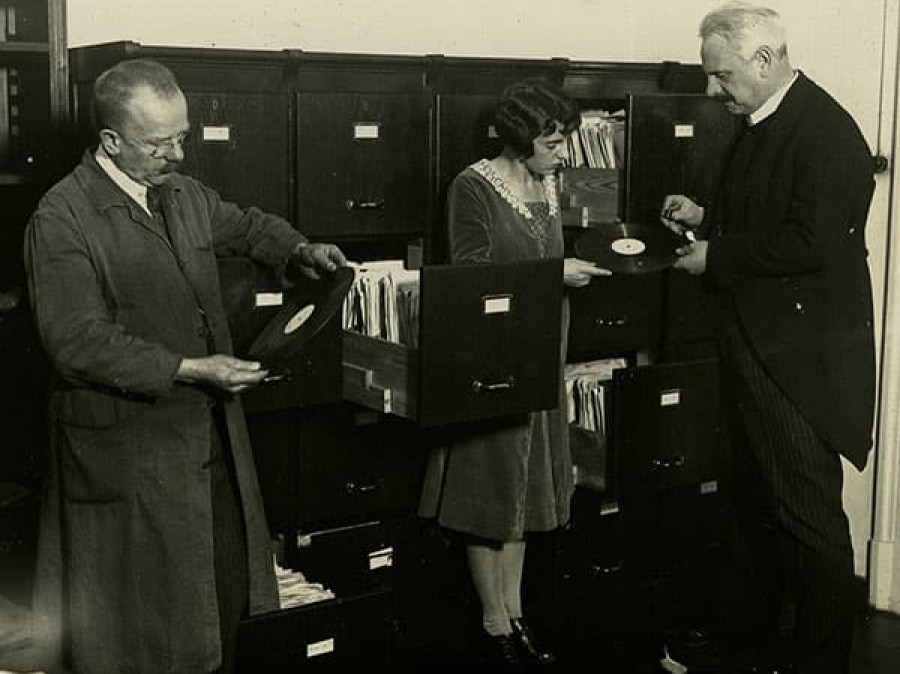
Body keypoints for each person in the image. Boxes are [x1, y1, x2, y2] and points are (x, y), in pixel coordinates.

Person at [23, 58, 347, 674]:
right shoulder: (61, 218)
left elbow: (246, 227)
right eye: (159, 143)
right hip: (127, 452)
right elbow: (75, 340)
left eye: (182, 136)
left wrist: (296, 248)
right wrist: (191, 368)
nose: (176, 154)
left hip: (207, 443)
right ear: (111, 141)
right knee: (139, 629)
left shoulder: (181, 194)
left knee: (218, 604)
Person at [660, 4, 876, 673]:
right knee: (753, 506)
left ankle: (818, 662)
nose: (711, 90)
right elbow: (773, 212)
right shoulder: (764, 119)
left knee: (808, 521)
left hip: (796, 363)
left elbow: (811, 240)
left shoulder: (827, 130)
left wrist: (716, 256)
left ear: (764, 60)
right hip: (759, 345)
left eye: (720, 75)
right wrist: (708, 217)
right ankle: (750, 647)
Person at [418, 80, 609, 668]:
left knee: (525, 494)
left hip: (542, 356)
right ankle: (493, 622)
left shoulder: (548, 183)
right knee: (491, 490)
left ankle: (515, 613)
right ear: (522, 139)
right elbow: (471, 279)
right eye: (553, 143)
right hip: (494, 361)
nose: (562, 155)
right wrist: (555, 274)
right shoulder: (473, 186)